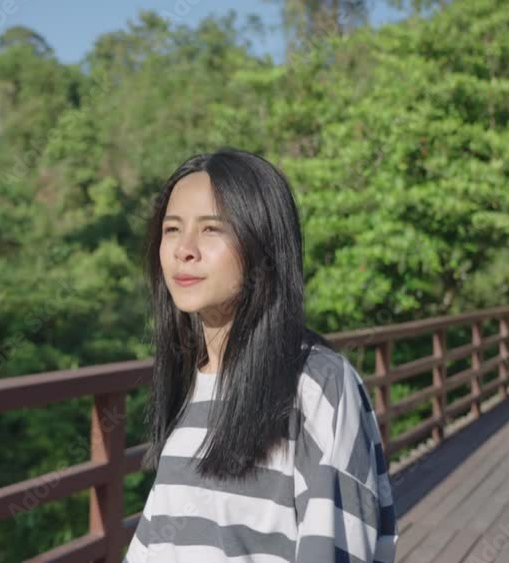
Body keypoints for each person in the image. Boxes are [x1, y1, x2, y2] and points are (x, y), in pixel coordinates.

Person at [123, 148, 398, 562]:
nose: (184, 249)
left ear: (262, 244)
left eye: (211, 229)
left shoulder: (315, 385)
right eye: (172, 229)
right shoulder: (189, 380)